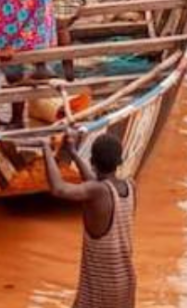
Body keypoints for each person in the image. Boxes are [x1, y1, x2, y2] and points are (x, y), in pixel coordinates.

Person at [41, 131, 136, 308]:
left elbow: (59, 189)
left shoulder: (97, 191)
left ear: (92, 162)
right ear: (119, 162)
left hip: (101, 287)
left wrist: (46, 148)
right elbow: (96, 183)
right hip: (125, 282)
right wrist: (74, 153)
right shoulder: (130, 186)